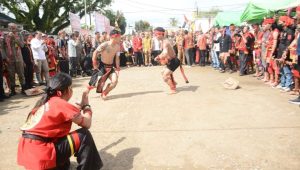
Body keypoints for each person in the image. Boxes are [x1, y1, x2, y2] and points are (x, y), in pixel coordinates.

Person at [17, 72, 103, 169]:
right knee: (84, 135)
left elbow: (68, 112)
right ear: (59, 93)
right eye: (70, 88)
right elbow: (87, 123)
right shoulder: (59, 103)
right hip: (43, 154)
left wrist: (83, 100)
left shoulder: (45, 103)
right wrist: (87, 106)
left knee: (65, 158)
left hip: (31, 155)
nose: (71, 90)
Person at [89, 29, 121, 100]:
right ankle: (85, 94)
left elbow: (117, 58)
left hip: (110, 67)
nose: (120, 38)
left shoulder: (118, 47)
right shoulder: (105, 44)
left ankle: (104, 93)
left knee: (115, 81)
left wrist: (118, 66)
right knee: (93, 84)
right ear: (114, 37)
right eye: (119, 37)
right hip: (102, 67)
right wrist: (94, 63)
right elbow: (95, 53)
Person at [154, 27, 185, 94]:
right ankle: (173, 83)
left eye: (156, 34)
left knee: (165, 76)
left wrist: (159, 57)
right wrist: (159, 56)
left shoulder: (165, 42)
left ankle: (173, 89)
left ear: (161, 34)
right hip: (172, 61)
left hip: (174, 61)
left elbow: (165, 53)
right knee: (163, 72)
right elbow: (164, 52)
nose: (155, 36)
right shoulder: (163, 41)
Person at [5, 23, 26, 95]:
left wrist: (14, 37)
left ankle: (23, 89)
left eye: (14, 28)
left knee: (21, 73)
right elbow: (3, 47)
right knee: (11, 74)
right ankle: (13, 90)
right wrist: (5, 57)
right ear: (8, 28)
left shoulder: (19, 35)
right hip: (9, 58)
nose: (12, 29)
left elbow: (22, 45)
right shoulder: (5, 36)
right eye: (11, 28)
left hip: (18, 57)